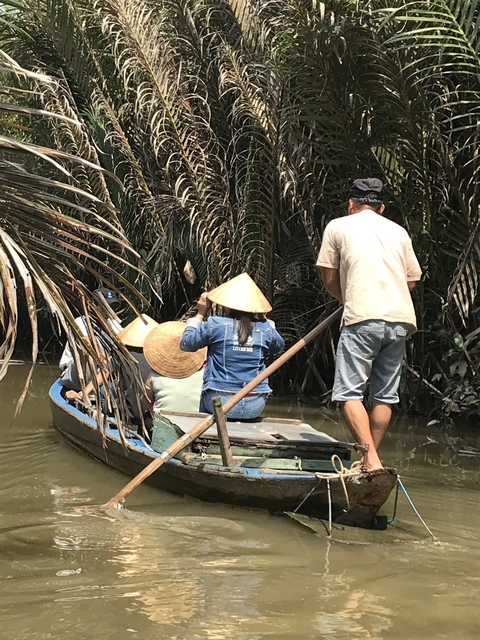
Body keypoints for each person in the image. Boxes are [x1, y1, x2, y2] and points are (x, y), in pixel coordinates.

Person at [316, 178, 422, 471]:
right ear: (381, 207)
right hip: (400, 319)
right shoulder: (399, 232)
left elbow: (328, 277)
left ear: (351, 204)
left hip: (361, 316)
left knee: (348, 392)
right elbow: (412, 279)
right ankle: (370, 459)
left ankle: (370, 460)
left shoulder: (338, 226)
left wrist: (347, 299)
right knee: (384, 396)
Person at [180, 272, 285, 420]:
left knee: (205, 397)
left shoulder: (214, 324)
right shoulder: (265, 328)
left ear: (224, 307)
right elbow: (278, 347)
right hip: (255, 405)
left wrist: (200, 314)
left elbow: (186, 344)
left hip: (219, 403)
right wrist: (263, 317)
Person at [59, 288, 123, 392]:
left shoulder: (114, 324)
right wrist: (107, 361)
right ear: (92, 306)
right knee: (89, 352)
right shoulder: (80, 322)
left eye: (112, 308)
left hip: (103, 370)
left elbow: (125, 341)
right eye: (104, 308)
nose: (108, 312)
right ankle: (88, 392)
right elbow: (88, 341)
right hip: (75, 374)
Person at [143, 321, 207, 413]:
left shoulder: (153, 376)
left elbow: (145, 404)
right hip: (197, 423)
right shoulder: (204, 373)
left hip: (163, 422)